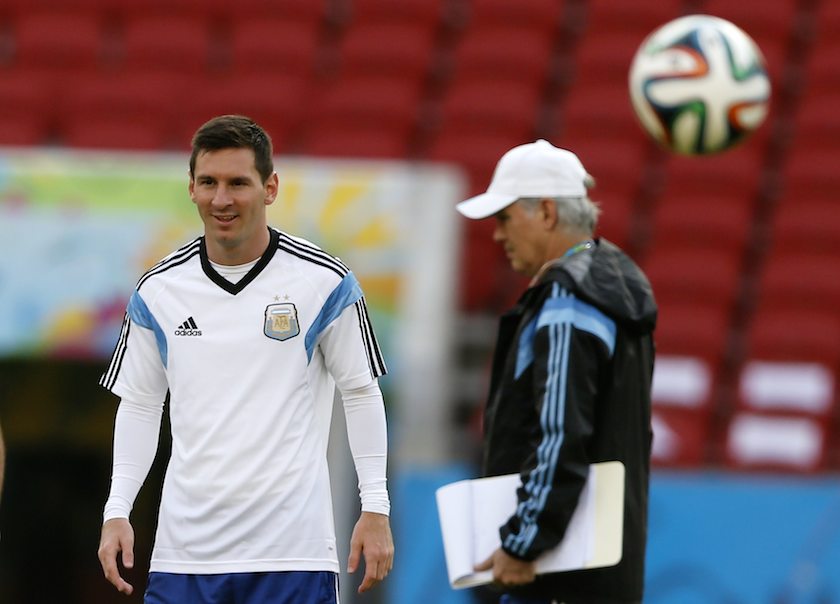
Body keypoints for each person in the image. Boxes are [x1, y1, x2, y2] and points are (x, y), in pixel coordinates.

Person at [97, 115, 394, 603]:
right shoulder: (158, 291)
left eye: (239, 183)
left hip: (292, 553)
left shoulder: (323, 282)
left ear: (270, 187)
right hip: (185, 555)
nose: (222, 199)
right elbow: (141, 405)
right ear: (190, 188)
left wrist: (375, 506)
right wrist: (117, 509)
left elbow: (360, 391)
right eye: (209, 183)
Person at [456, 139, 657, 604]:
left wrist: (524, 542)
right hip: (604, 570)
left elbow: (562, 433)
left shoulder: (567, 301)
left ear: (546, 212)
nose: (497, 235)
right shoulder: (615, 287)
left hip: (554, 577)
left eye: (505, 218)